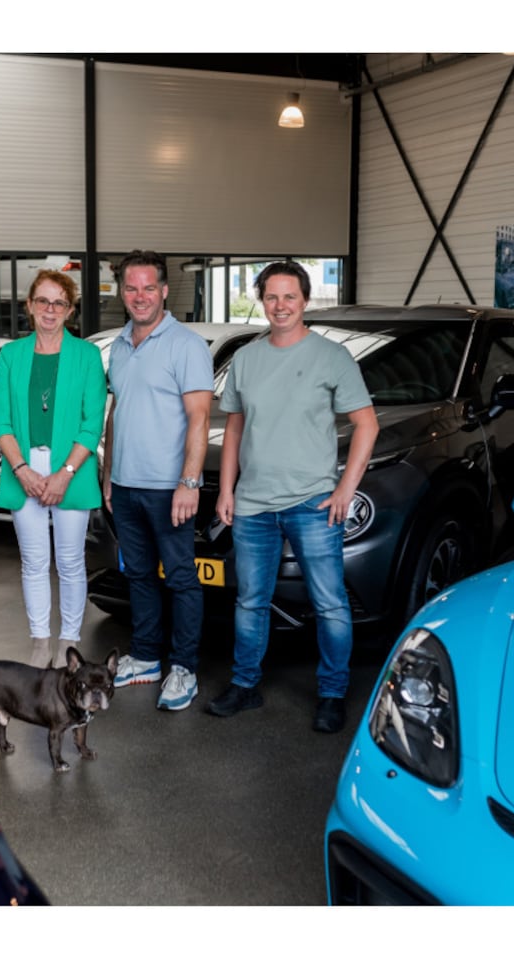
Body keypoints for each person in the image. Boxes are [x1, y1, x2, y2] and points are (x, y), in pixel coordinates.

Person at [205, 261, 379, 734]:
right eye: (271, 297)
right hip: (253, 506)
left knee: (330, 605)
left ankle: (332, 693)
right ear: (261, 300)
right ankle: (245, 685)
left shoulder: (332, 357)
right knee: (250, 602)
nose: (280, 306)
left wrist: (346, 488)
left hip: (312, 504)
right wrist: (227, 490)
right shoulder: (246, 358)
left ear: (304, 300)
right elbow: (235, 428)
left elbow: (367, 424)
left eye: (289, 296)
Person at [102, 250, 213, 711]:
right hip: (126, 486)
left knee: (182, 578)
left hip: (169, 487)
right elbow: (117, 411)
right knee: (140, 575)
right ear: (122, 293)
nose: (140, 296)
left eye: (149, 287)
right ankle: (146, 657)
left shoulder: (186, 345)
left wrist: (189, 482)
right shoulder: (119, 346)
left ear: (165, 291)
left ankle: (183, 668)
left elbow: (200, 417)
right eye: (131, 288)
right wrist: (109, 474)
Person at [0, 269, 108, 668]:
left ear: (70, 310)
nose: (50, 309)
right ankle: (40, 642)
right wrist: (22, 470)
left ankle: (67, 643)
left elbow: (92, 423)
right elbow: (1, 421)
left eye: (60, 302)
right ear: (30, 305)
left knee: (71, 562)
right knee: (34, 561)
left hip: (71, 468)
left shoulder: (87, 356)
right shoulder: (11, 355)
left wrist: (64, 474)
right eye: (43, 300)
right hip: (23, 467)